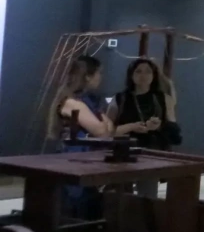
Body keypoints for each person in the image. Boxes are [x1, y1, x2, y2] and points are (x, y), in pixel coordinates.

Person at [50, 55, 142, 217]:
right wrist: (103, 123)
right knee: (74, 207)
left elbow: (109, 129)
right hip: (74, 161)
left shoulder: (88, 101)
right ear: (87, 76)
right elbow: (102, 131)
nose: (101, 77)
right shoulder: (72, 103)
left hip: (87, 161)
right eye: (99, 73)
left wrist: (104, 123)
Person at [107, 57, 178, 197]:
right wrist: (131, 126)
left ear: (154, 75)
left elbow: (174, 133)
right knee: (121, 196)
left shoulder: (163, 99)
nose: (143, 75)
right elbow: (107, 131)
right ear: (131, 75)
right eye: (138, 71)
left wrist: (158, 127)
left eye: (148, 72)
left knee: (147, 196)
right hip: (124, 153)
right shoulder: (120, 99)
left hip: (151, 152)